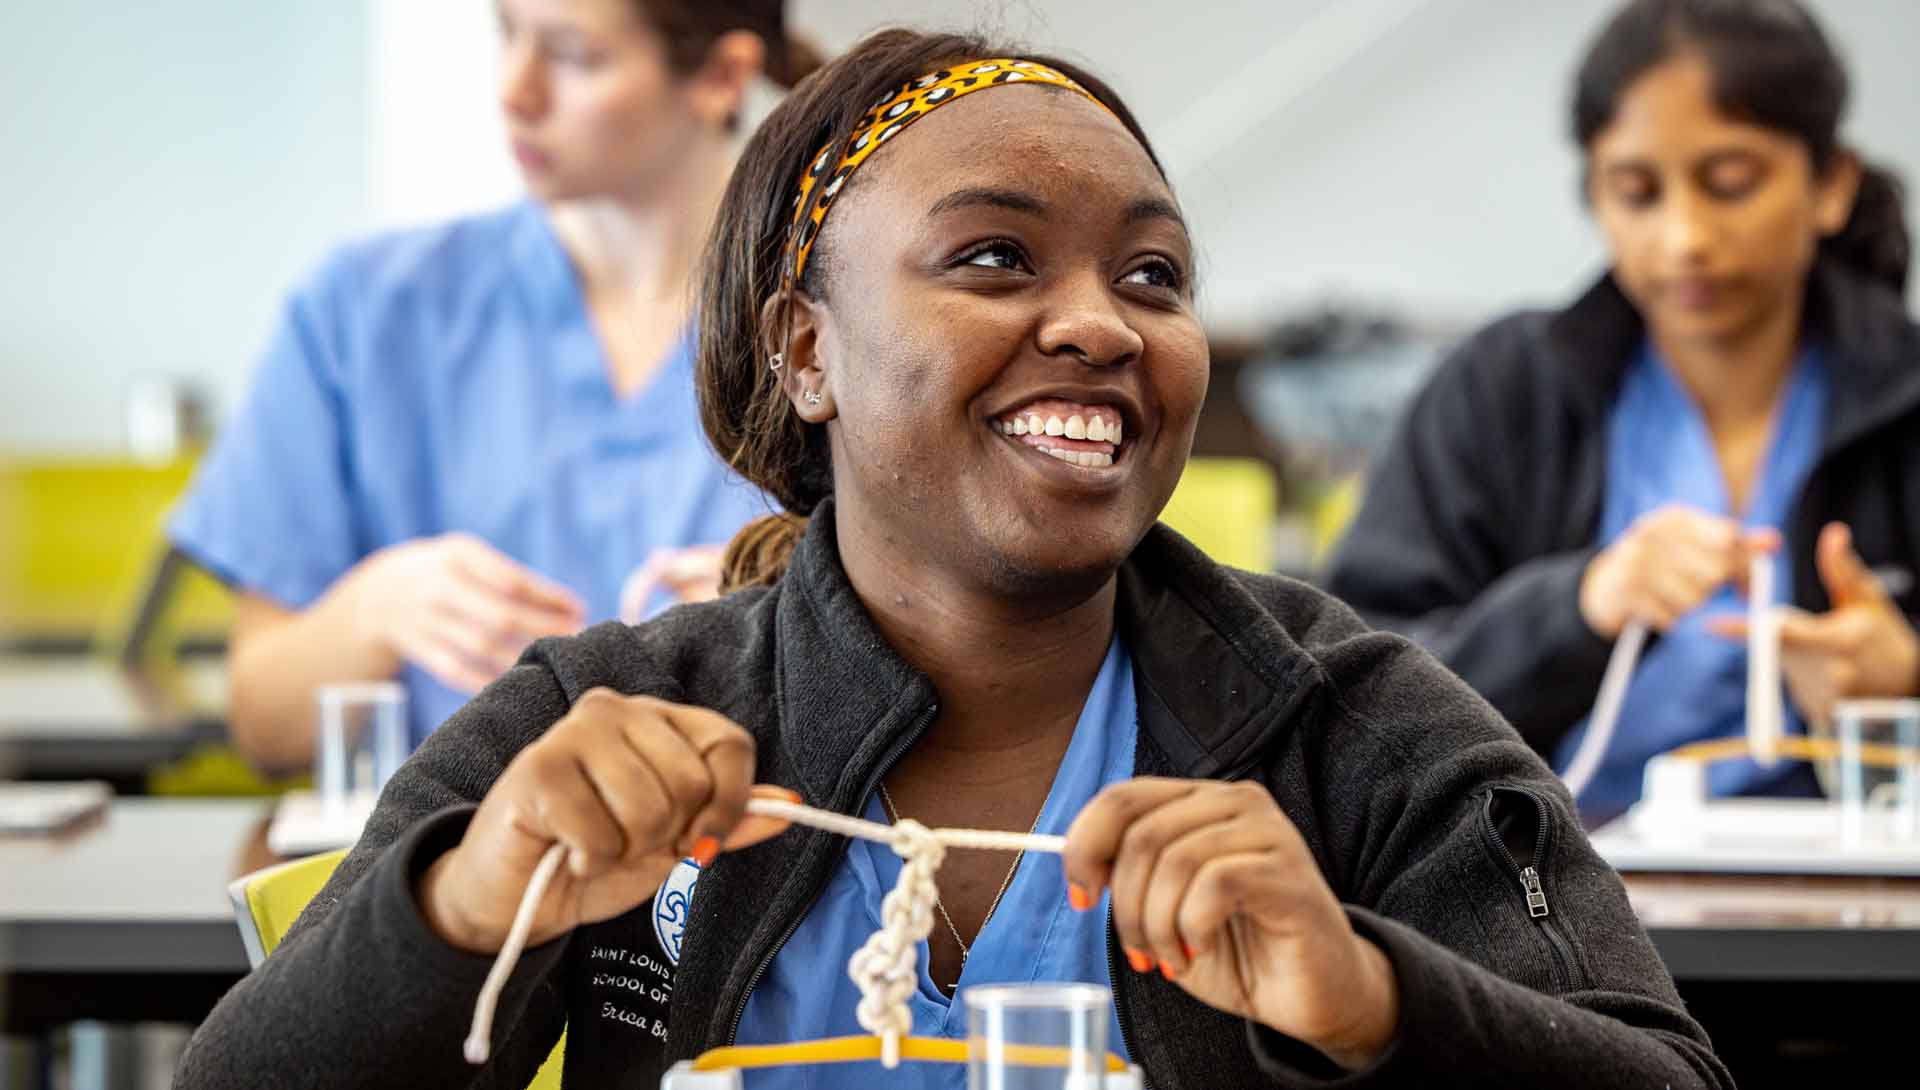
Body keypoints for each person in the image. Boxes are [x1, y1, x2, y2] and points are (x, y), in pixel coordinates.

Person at [175, 28, 1732, 1089]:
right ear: (807, 349)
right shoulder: (602, 724)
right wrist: (465, 902)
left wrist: (1376, 999)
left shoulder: (1351, 725)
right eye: (992, 256)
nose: (1102, 322)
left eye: (1153, 274)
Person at [168, 0, 822, 764]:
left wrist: (788, 622)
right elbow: (264, 727)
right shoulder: (363, 312)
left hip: (757, 864)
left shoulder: (836, 325)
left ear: (721, 75)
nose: (515, 91)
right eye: (508, 34)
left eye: (574, 55)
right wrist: (374, 611)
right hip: (450, 865)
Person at [1330, 0, 1920, 813]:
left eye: (1732, 183)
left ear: (1831, 186)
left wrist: (1904, 685)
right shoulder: (1504, 392)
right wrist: (1578, 609)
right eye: (1638, 192)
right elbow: (1350, 687)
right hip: (1539, 901)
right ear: (1596, 197)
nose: (1685, 236)